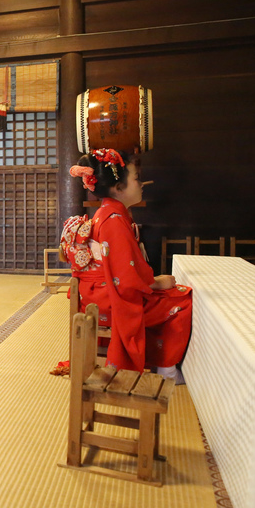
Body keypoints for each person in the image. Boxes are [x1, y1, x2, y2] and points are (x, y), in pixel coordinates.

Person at [61, 148, 192, 381]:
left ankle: (160, 361)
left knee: (169, 294)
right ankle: (167, 370)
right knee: (181, 300)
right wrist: (157, 282)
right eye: (136, 178)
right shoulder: (113, 220)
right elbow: (126, 279)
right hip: (109, 299)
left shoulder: (109, 214)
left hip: (98, 294)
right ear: (118, 188)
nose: (142, 184)